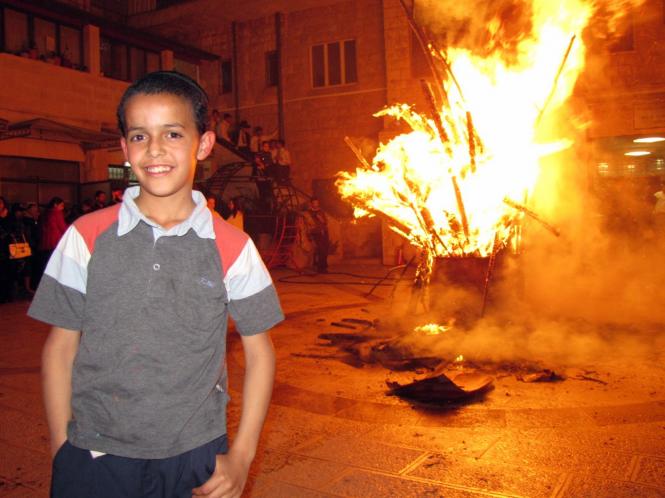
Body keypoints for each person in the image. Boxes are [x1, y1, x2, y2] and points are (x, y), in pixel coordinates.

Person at [28, 71, 283, 498]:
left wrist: (242, 454)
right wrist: (61, 448)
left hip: (195, 456)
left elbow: (261, 353)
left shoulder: (234, 247)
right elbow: (60, 347)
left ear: (203, 143)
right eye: (140, 136)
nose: (156, 149)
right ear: (125, 149)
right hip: (95, 453)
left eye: (173, 133)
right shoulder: (86, 236)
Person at [303, 197, 329, 273]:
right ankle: (320, 268)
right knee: (321, 249)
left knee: (325, 249)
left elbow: (325, 222)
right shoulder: (308, 213)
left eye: (317, 203)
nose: (316, 204)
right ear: (311, 203)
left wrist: (321, 219)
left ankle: (323, 267)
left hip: (324, 232)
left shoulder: (321, 211)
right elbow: (307, 224)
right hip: (316, 233)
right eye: (315, 203)